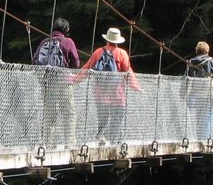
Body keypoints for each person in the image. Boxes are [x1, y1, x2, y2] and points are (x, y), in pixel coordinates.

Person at [75, 27, 140, 144]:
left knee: (102, 119)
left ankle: (101, 138)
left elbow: (87, 68)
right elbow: (128, 72)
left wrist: (75, 79)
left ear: (107, 40)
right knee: (116, 120)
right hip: (116, 95)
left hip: (100, 94)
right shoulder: (122, 53)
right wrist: (136, 87)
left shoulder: (98, 52)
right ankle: (114, 143)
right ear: (118, 41)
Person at [32, 17, 81, 146]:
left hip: (48, 82)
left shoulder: (44, 42)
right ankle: (70, 143)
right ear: (66, 29)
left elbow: (34, 60)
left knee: (50, 114)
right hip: (64, 81)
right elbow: (76, 63)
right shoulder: (68, 42)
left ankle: (48, 144)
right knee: (68, 112)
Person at [184, 40, 213, 140]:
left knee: (199, 117)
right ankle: (206, 139)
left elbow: (186, 79)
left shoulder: (190, 63)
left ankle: (199, 138)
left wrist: (183, 94)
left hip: (197, 94)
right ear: (207, 51)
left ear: (196, 51)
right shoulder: (210, 61)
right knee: (208, 116)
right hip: (211, 94)